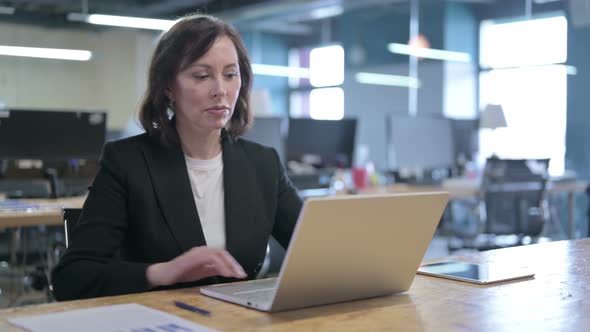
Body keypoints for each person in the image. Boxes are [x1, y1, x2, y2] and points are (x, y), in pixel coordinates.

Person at [51, 14, 303, 301]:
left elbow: (317, 252)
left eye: (230, 74)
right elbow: (71, 278)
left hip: (238, 321)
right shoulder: (128, 162)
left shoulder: (263, 164)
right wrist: (162, 272)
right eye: (201, 75)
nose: (220, 89)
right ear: (168, 87)